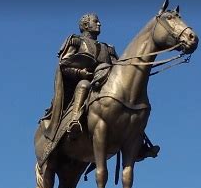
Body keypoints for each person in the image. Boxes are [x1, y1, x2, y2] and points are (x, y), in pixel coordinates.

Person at [43, 13, 159, 159]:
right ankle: (74, 122)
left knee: (127, 105)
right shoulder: (76, 41)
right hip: (82, 82)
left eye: (99, 22)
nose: (99, 24)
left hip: (103, 84)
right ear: (85, 25)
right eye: (95, 21)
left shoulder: (107, 48)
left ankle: (139, 141)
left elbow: (117, 67)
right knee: (83, 85)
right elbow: (64, 64)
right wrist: (81, 73)